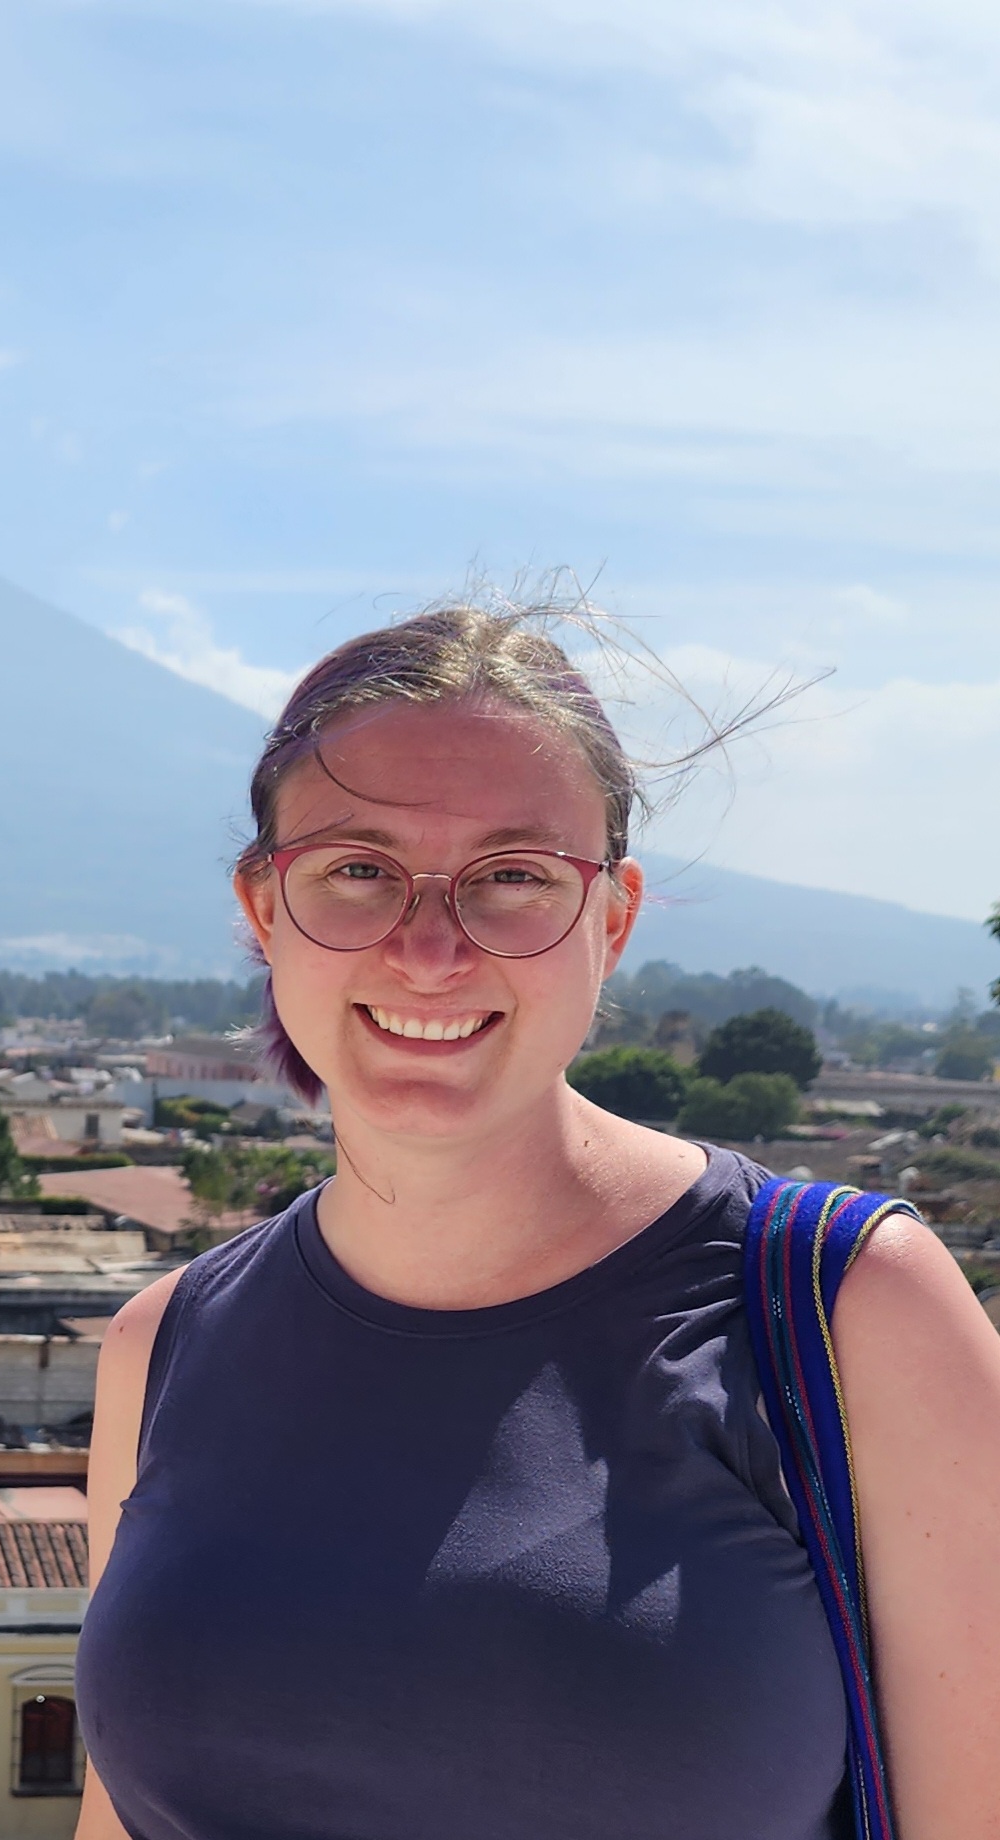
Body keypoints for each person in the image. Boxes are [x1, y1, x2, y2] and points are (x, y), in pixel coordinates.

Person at [76, 604, 1000, 1840]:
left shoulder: (848, 1308)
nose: (428, 948)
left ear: (610, 920)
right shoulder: (159, 1351)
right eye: (356, 868)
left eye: (511, 877)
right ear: (262, 907)